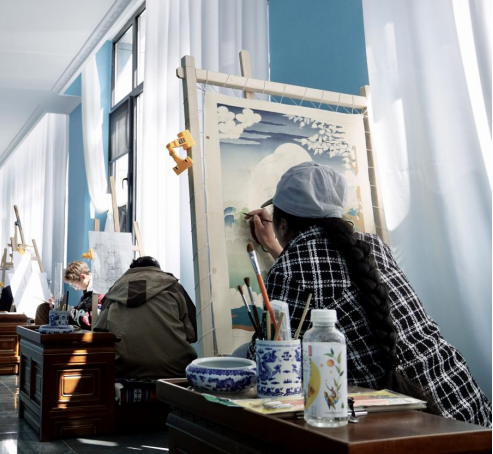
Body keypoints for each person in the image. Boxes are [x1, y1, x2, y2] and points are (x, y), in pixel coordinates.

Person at [245, 162, 491, 427]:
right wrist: (275, 247)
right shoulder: (372, 245)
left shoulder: (290, 269)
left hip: (408, 427)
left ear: (282, 225)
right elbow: (327, 279)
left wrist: (281, 255)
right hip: (467, 406)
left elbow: (265, 358)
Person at [94, 256, 198, 379]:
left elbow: (99, 333)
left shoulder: (115, 291)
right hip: (175, 369)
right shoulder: (173, 286)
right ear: (157, 269)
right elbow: (194, 333)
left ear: (133, 270)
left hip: (126, 370)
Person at [64, 261, 102, 330]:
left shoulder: (99, 292)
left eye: (74, 285)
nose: (75, 289)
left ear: (83, 277)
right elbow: (81, 309)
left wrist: (69, 312)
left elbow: (91, 321)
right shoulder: (88, 291)